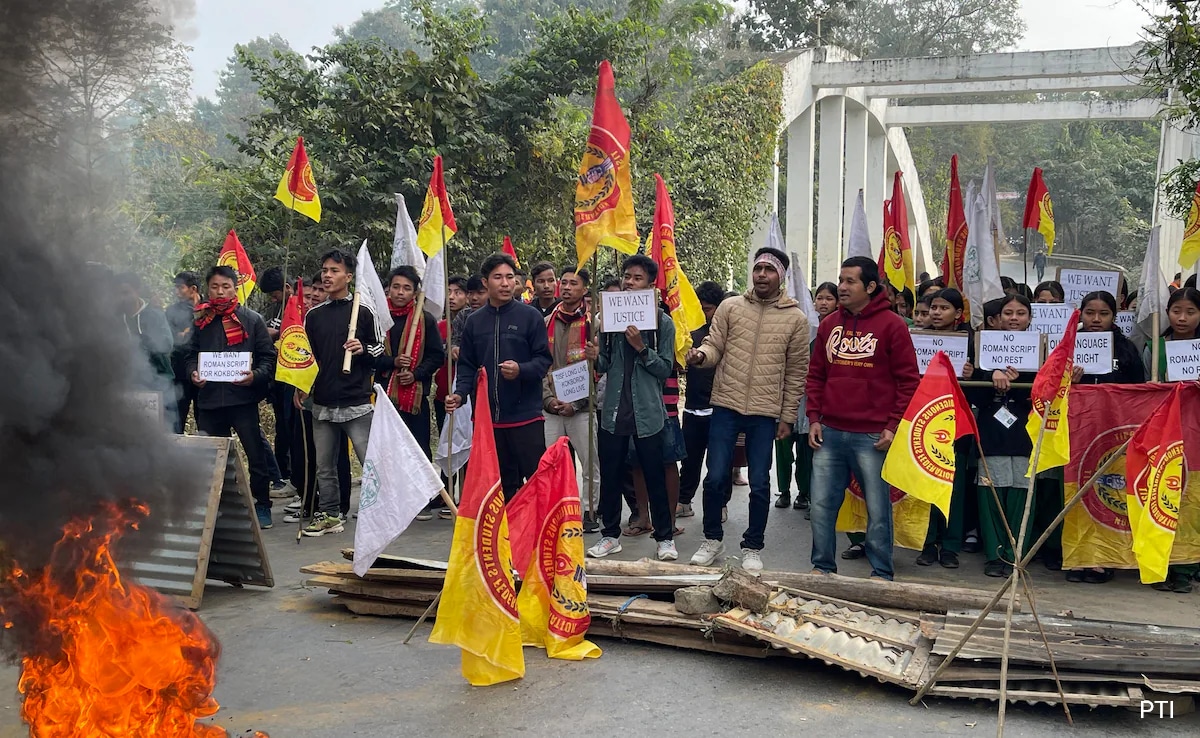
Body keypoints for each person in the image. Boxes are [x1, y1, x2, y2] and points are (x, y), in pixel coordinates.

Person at [687, 247, 809, 572]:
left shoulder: (796, 319)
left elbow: (797, 371)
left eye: (769, 271)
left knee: (759, 482)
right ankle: (712, 539)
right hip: (726, 404)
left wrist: (787, 416)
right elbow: (714, 345)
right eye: (757, 269)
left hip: (765, 413)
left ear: (780, 277)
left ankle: (753, 545)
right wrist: (701, 356)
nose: (761, 276)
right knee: (714, 477)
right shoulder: (730, 307)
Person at [807, 256, 920, 581]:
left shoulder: (893, 325)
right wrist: (814, 416)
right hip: (829, 431)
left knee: (878, 509)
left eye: (850, 281)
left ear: (870, 287)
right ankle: (822, 567)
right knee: (822, 506)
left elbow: (908, 380)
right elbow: (816, 376)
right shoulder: (829, 326)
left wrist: (892, 425)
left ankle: (881, 572)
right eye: (840, 280)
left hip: (872, 435)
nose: (841, 287)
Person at [585, 254, 678, 562]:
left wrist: (641, 346)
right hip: (612, 411)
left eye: (636, 278)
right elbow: (605, 364)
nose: (628, 282)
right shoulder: (609, 320)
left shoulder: (663, 323)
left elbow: (665, 369)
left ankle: (664, 537)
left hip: (648, 413)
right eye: (626, 276)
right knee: (611, 475)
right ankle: (610, 535)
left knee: (654, 475)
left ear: (650, 285)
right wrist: (594, 355)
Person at [446, 253, 552, 500]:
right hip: (487, 421)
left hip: (525, 418)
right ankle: (504, 536)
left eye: (510, 277)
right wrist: (459, 395)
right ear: (485, 282)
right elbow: (467, 366)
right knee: (499, 488)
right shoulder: (474, 322)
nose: (505, 283)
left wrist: (520, 370)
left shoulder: (530, 317)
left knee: (537, 482)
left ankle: (538, 534)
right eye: (498, 278)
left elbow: (543, 361)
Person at [184, 266, 277, 528]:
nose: (221, 291)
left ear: (235, 288)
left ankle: (262, 505)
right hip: (210, 402)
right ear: (207, 289)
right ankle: (217, 507)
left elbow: (268, 357)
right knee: (210, 458)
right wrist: (193, 373)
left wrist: (255, 376)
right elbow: (190, 356)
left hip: (243, 399)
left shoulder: (252, 319)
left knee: (255, 455)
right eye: (215, 286)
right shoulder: (201, 320)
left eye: (226, 286)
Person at [300, 249, 385, 537]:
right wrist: (301, 386)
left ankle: (381, 512)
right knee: (325, 465)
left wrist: (362, 349)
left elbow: (380, 350)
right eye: (324, 270)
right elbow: (308, 358)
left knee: (370, 463)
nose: (327, 275)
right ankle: (330, 514)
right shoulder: (313, 316)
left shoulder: (363, 310)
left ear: (349, 276)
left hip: (356, 401)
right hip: (322, 400)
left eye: (334, 270)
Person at [966, 294, 1038, 578]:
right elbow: (975, 396)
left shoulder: (1040, 351)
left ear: (1030, 318)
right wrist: (985, 374)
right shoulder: (982, 350)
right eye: (1008, 312)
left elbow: (1042, 395)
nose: (1014, 318)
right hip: (992, 431)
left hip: (1024, 432)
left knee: (1021, 494)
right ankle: (995, 554)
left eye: (1021, 313)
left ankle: (1016, 555)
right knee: (991, 492)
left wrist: (1018, 382)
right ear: (999, 317)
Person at [283, 276, 353, 524]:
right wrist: (300, 386)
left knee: (336, 456)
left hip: (336, 396)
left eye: (319, 294)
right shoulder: (308, 319)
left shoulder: (341, 318)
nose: (314, 299)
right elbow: (303, 358)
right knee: (306, 452)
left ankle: (340, 507)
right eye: (310, 295)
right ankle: (311, 503)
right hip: (308, 395)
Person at [378, 265, 446, 520]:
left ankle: (423, 500)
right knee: (389, 450)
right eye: (396, 286)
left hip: (414, 396)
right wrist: (392, 363)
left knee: (418, 447)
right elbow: (371, 354)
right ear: (388, 288)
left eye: (407, 288)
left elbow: (435, 356)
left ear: (415, 293)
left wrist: (416, 374)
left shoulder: (424, 319)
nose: (400, 292)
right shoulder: (378, 316)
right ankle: (393, 501)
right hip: (384, 395)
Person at [1145, 287, 1200, 592]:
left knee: (1193, 503)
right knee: (1163, 496)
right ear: (1167, 313)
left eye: (1190, 311)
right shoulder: (1155, 348)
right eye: (1176, 311)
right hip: (1165, 433)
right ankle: (1160, 565)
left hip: (1197, 435)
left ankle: (1185, 568)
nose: (1182, 318)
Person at [542, 265, 600, 532]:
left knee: (590, 462)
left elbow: (598, 368)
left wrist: (576, 403)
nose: (566, 288)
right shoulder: (546, 323)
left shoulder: (594, 324)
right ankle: (554, 509)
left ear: (584, 290)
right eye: (563, 283)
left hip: (583, 407)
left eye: (573, 284)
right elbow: (541, 364)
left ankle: (589, 511)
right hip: (552, 406)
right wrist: (549, 400)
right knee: (551, 462)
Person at [776, 281, 838, 513]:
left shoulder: (831, 331)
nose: (823, 303)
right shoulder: (788, 327)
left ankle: (805, 493)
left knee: (806, 447)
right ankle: (783, 491)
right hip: (785, 394)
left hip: (811, 399)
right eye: (819, 298)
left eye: (828, 298)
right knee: (782, 445)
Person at [677, 281, 725, 520]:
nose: (705, 314)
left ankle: (720, 505)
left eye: (708, 309)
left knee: (719, 464)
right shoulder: (690, 333)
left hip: (721, 409)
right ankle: (684, 501)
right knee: (690, 460)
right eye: (701, 308)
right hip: (694, 408)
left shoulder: (728, 333)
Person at [258, 266, 295, 491]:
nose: (273, 299)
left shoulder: (297, 306)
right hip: (277, 376)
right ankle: (283, 473)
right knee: (282, 425)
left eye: (275, 294)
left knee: (292, 426)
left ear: (287, 288)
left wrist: (275, 333)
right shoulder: (275, 310)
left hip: (293, 375)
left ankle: (292, 474)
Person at [117, 272, 174, 388]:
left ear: (137, 290)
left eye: (126, 292)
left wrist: (142, 342)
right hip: (128, 384)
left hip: (159, 381)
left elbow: (167, 345)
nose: (121, 298)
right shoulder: (115, 319)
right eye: (117, 294)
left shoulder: (155, 315)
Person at [166, 271, 202, 433]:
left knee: (205, 418)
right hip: (179, 370)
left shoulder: (208, 309)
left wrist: (188, 330)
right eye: (176, 288)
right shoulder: (171, 311)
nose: (177, 292)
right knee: (176, 418)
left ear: (193, 289)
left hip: (203, 371)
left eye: (181, 288)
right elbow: (173, 338)